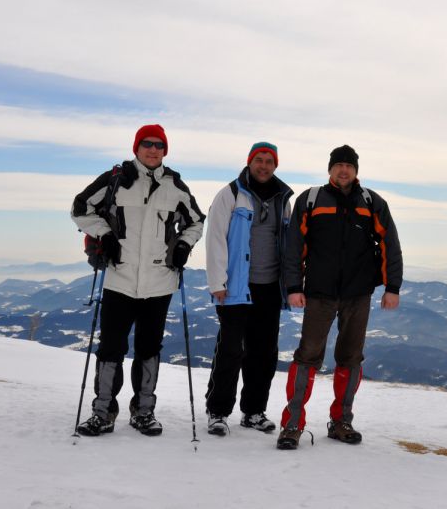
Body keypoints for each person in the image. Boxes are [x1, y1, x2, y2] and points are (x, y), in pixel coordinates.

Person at [71, 124, 205, 437]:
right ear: (136, 147)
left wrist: (184, 245)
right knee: (111, 347)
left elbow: (196, 222)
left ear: (165, 150)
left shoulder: (175, 186)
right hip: (120, 278)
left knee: (149, 347)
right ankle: (102, 412)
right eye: (147, 144)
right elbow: (80, 208)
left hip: (159, 282)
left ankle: (144, 412)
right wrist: (104, 234)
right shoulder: (115, 180)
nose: (153, 149)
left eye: (159, 145)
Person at [277, 144, 403, 450]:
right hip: (319, 293)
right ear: (330, 169)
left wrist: (392, 287)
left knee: (350, 357)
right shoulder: (310, 200)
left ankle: (341, 421)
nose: (344, 170)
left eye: (349, 165)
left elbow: (390, 243)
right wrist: (293, 287)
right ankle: (292, 424)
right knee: (307, 357)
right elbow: (294, 247)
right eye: (339, 165)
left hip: (358, 294)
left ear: (356, 171)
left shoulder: (372, 202)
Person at [203, 142, 293, 436]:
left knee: (264, 353)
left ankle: (253, 411)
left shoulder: (283, 198)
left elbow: (290, 245)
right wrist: (218, 282)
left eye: (269, 161)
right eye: (259, 160)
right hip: (236, 287)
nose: (264, 166)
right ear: (249, 162)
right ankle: (218, 411)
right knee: (230, 350)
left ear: (275, 166)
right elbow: (215, 237)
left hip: (269, 286)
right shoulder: (230, 194)